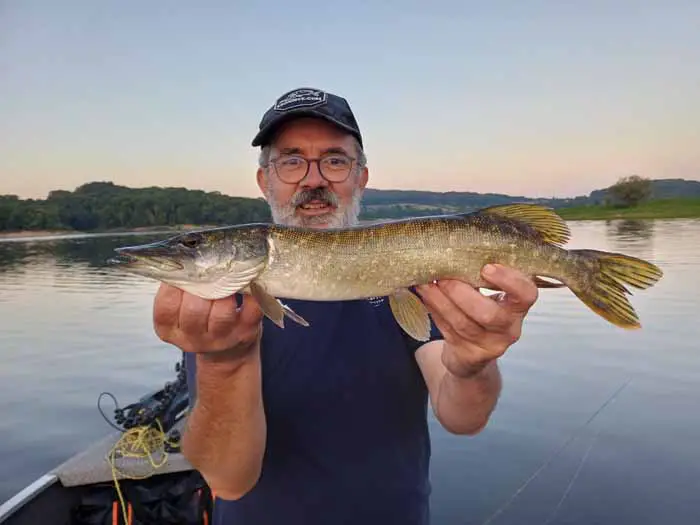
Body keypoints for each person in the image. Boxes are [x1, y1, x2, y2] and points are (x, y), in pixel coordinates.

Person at [152, 87, 539, 525]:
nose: (313, 180)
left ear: (361, 178)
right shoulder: (224, 308)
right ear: (265, 181)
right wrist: (223, 363)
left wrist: (473, 366)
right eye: (291, 161)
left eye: (335, 161)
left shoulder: (412, 278)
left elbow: (463, 417)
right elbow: (227, 481)